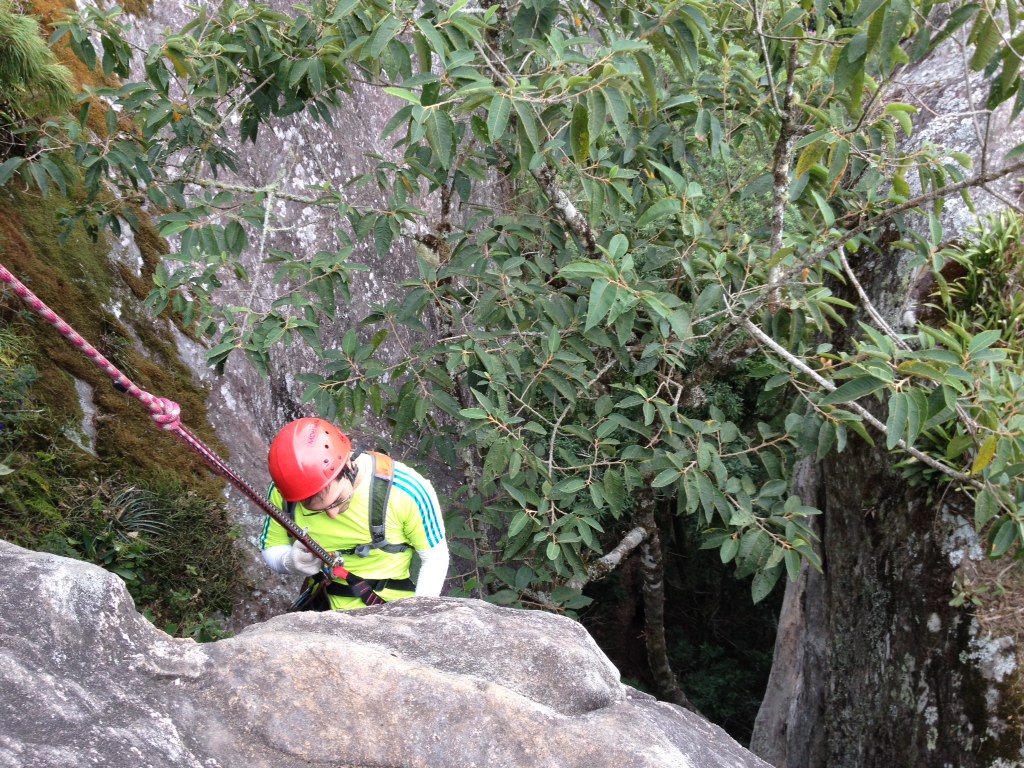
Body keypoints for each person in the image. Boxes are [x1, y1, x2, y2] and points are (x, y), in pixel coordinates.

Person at [259, 417, 449, 610]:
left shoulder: (405, 490)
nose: (332, 514)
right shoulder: (286, 493)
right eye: (318, 510)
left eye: (338, 499)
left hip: (388, 607)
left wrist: (416, 614)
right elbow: (271, 546)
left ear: (349, 466)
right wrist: (289, 562)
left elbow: (435, 558)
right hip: (322, 604)